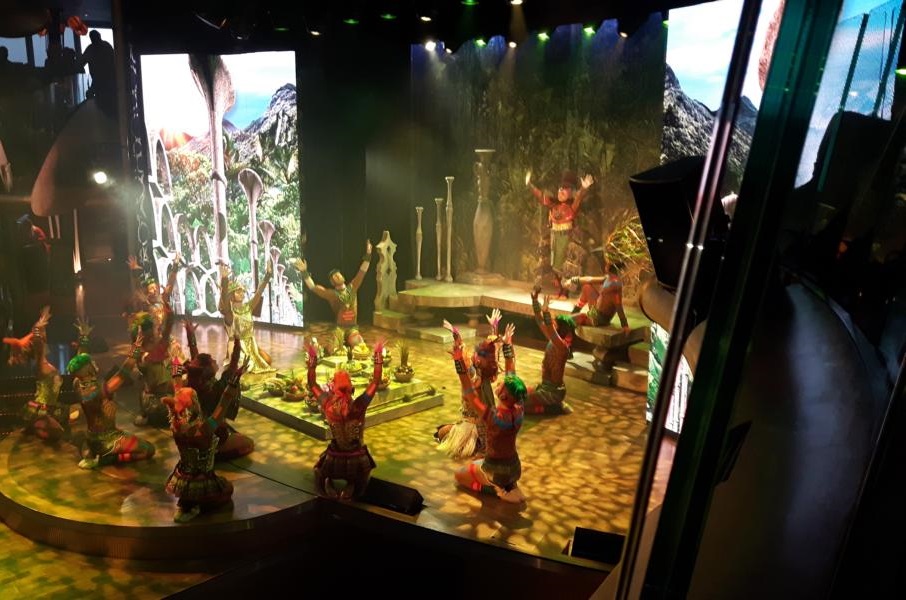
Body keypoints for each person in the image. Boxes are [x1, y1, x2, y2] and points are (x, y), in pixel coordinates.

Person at [447, 318, 526, 503]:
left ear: (504, 396)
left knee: (459, 476)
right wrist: (507, 345)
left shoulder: (493, 417)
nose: (499, 383)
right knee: (481, 464)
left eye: (502, 386)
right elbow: (511, 373)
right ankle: (511, 485)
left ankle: (497, 490)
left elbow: (469, 392)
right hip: (515, 468)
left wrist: (458, 362)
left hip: (494, 470)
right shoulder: (520, 409)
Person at [163, 350, 246, 523]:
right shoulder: (204, 429)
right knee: (227, 489)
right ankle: (198, 505)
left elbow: (177, 387)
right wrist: (235, 379)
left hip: (182, 477)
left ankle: (187, 504)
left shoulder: (176, 425)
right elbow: (223, 404)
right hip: (202, 480)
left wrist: (175, 363)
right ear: (195, 404)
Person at [305, 339, 385, 500]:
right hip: (357, 458)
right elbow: (376, 382)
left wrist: (312, 363)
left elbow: (312, 383)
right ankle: (351, 485)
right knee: (362, 475)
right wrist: (378, 357)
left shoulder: (327, 404)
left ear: (333, 387)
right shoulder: (359, 406)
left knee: (319, 470)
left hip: (334, 458)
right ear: (351, 388)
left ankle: (328, 483)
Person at [435, 310, 513, 459]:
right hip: (488, 425)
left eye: (477, 354)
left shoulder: (475, 376)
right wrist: (494, 328)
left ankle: (476, 444)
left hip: (473, 427)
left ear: (478, 360)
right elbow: (493, 350)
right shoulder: (487, 372)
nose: (474, 354)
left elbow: (464, 369)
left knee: (441, 432)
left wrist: (456, 340)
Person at [68, 339, 156, 469]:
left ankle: (92, 451)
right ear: (88, 370)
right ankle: (106, 459)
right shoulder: (98, 392)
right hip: (108, 440)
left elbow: (79, 362)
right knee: (148, 449)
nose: (94, 363)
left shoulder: (77, 383)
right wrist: (135, 350)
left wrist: (84, 339)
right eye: (92, 363)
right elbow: (123, 374)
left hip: (92, 437)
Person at [181, 320, 255, 460]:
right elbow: (233, 365)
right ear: (208, 370)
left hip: (201, 427)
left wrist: (191, 336)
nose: (215, 361)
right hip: (211, 427)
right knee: (248, 443)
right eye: (213, 361)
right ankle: (215, 452)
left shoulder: (196, 383)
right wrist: (237, 341)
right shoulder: (216, 388)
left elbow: (195, 357)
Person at [294, 239, 372, 355]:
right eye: (334, 276)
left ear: (343, 276)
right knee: (334, 350)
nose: (337, 276)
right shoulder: (332, 294)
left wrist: (368, 255)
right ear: (332, 282)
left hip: (352, 328)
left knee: (360, 346)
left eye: (338, 274)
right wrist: (304, 272)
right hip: (340, 328)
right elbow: (313, 287)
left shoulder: (352, 287)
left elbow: (362, 271)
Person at [2, 306, 65, 442]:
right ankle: (36, 425)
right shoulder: (41, 365)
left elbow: (38, 339)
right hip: (43, 409)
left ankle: (35, 426)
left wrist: (39, 327)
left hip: (48, 409)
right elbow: (38, 341)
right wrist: (38, 328)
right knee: (58, 433)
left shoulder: (43, 364)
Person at [526, 169, 594, 285]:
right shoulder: (553, 205)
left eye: (565, 188)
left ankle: (565, 289)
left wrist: (584, 188)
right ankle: (557, 284)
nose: (561, 190)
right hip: (554, 241)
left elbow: (579, 197)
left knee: (566, 267)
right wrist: (529, 185)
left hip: (566, 242)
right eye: (560, 188)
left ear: (572, 192)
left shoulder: (572, 208)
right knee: (553, 264)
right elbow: (541, 196)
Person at [526, 289, 576, 415]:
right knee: (518, 393)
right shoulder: (552, 339)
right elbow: (540, 321)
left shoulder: (562, 347)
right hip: (545, 387)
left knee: (520, 404)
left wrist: (546, 311)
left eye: (555, 324)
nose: (553, 323)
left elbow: (551, 329)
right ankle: (552, 405)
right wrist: (535, 300)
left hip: (553, 392)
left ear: (561, 329)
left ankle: (552, 408)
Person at [218, 260, 274, 373]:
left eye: (243, 291)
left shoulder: (249, 306)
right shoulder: (230, 312)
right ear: (231, 294)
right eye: (238, 292)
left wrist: (268, 275)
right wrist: (224, 280)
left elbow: (259, 292)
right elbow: (224, 299)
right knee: (246, 367)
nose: (242, 293)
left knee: (268, 360)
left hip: (251, 343)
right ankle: (233, 360)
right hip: (238, 346)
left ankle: (253, 354)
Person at [569, 260, 631, 334]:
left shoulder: (615, 284)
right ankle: (575, 311)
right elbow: (589, 279)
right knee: (587, 287)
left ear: (608, 267)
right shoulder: (608, 278)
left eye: (607, 264)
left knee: (579, 318)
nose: (605, 265)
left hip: (600, 319)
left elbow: (619, 306)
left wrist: (624, 325)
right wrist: (572, 280)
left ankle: (569, 322)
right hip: (596, 310)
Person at [77, 30, 115, 110]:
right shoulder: (104, 47)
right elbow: (81, 63)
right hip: (104, 82)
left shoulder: (93, 48)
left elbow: (81, 63)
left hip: (105, 81)